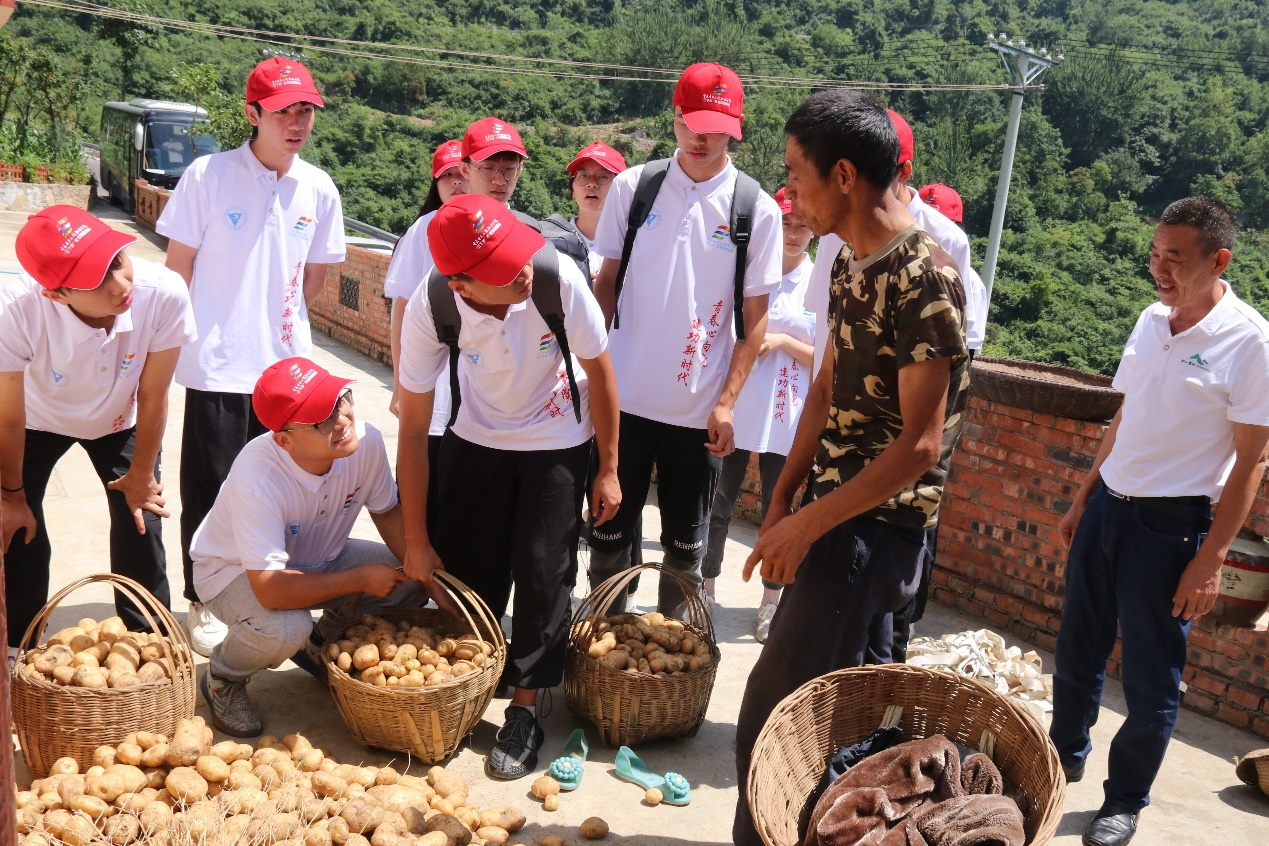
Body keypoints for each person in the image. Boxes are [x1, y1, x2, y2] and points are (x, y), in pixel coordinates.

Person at [731, 90, 969, 846]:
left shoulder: (924, 279)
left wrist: (808, 524)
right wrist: (784, 498)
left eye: (794, 174)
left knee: (778, 709)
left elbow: (920, 446)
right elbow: (827, 390)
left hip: (874, 529)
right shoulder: (848, 262)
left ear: (841, 175)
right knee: (852, 727)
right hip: (831, 510)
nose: (790, 194)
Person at [1049, 198, 1269, 846]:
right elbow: (1125, 416)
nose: (1158, 269)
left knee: (1149, 677)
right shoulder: (1149, 321)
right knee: (1075, 649)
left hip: (1170, 529)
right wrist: (1083, 495)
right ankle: (1063, 753)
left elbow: (1252, 460)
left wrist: (1210, 561)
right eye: (1154, 254)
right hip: (1108, 510)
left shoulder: (1248, 340)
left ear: (1217, 260)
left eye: (1174, 257)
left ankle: (1123, 802)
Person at [396, 194, 619, 779]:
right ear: (463, 283)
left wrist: (609, 468)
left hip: (556, 441)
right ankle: (472, 681)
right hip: (475, 438)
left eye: (521, 256)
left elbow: (601, 370)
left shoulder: (552, 277)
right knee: (472, 572)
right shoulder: (432, 305)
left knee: (545, 574)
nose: (522, 272)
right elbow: (414, 432)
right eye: (501, 270)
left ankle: (525, 707)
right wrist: (416, 539)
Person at [158, 56, 346, 657]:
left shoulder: (317, 187)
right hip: (217, 364)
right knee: (211, 488)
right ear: (253, 113)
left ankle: (276, 591)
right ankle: (203, 600)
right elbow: (176, 271)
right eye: (284, 110)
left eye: (306, 110)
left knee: (286, 490)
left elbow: (315, 280)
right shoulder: (209, 176)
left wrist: (278, 326)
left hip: (289, 377)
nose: (297, 121)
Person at [588, 62, 782, 619]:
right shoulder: (635, 188)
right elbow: (605, 285)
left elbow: (755, 320)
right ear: (674, 118)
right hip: (621, 401)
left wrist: (725, 403)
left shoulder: (755, 210)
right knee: (607, 539)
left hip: (696, 415)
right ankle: (602, 640)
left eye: (716, 126)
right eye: (693, 122)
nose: (702, 137)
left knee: (683, 552)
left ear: (735, 128)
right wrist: (587, 372)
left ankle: (668, 655)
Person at [191, 357, 455, 738]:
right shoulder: (258, 477)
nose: (343, 419)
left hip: (321, 557)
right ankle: (223, 677)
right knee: (284, 628)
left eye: (340, 400)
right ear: (284, 440)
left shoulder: (366, 443)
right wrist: (361, 578)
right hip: (233, 574)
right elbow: (269, 586)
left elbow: (387, 512)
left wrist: (430, 580)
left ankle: (319, 643)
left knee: (409, 577)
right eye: (321, 419)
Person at [0, 206, 196, 649]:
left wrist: (142, 476)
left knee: (141, 520)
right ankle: (19, 643)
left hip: (119, 417)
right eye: (97, 280)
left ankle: (148, 643)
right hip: (36, 418)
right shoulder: (18, 310)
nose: (122, 286)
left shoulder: (163, 292)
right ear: (56, 294)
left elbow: (154, 395)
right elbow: (8, 416)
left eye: (117, 261)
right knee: (16, 526)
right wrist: (11, 496)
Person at [700, 187, 815, 641]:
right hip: (738, 405)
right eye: (785, 223)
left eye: (802, 224)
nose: (793, 233)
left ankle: (771, 602)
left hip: (787, 418)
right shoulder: (750, 274)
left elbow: (828, 358)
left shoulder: (818, 281)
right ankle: (705, 589)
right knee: (718, 502)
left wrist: (784, 343)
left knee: (777, 508)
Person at [387, 139, 466, 421]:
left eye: (462, 173)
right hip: (431, 385)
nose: (456, 183)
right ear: (436, 182)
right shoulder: (424, 229)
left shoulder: (491, 225)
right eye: (447, 175)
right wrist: (399, 385)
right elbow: (402, 312)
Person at [563, 141, 627, 282]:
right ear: (572, 188)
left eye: (603, 176)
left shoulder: (634, 246)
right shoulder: (555, 244)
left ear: (622, 188)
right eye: (583, 176)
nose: (591, 183)